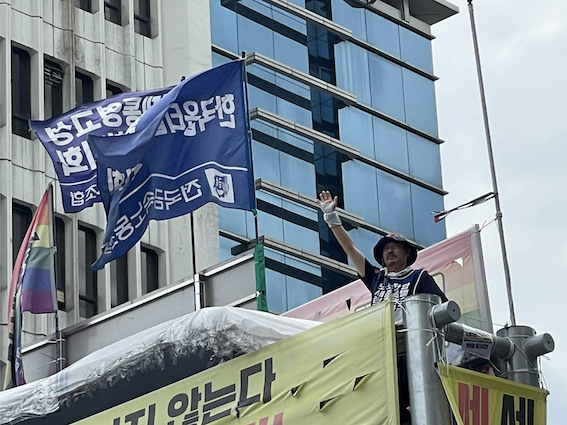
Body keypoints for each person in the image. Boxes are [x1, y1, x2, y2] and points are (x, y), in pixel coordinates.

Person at [318, 191, 447, 309]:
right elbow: (350, 249)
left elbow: (443, 308)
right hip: (382, 327)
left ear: (407, 252)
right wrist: (331, 217)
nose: (390, 251)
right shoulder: (376, 277)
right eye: (385, 249)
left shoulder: (419, 276)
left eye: (395, 246)